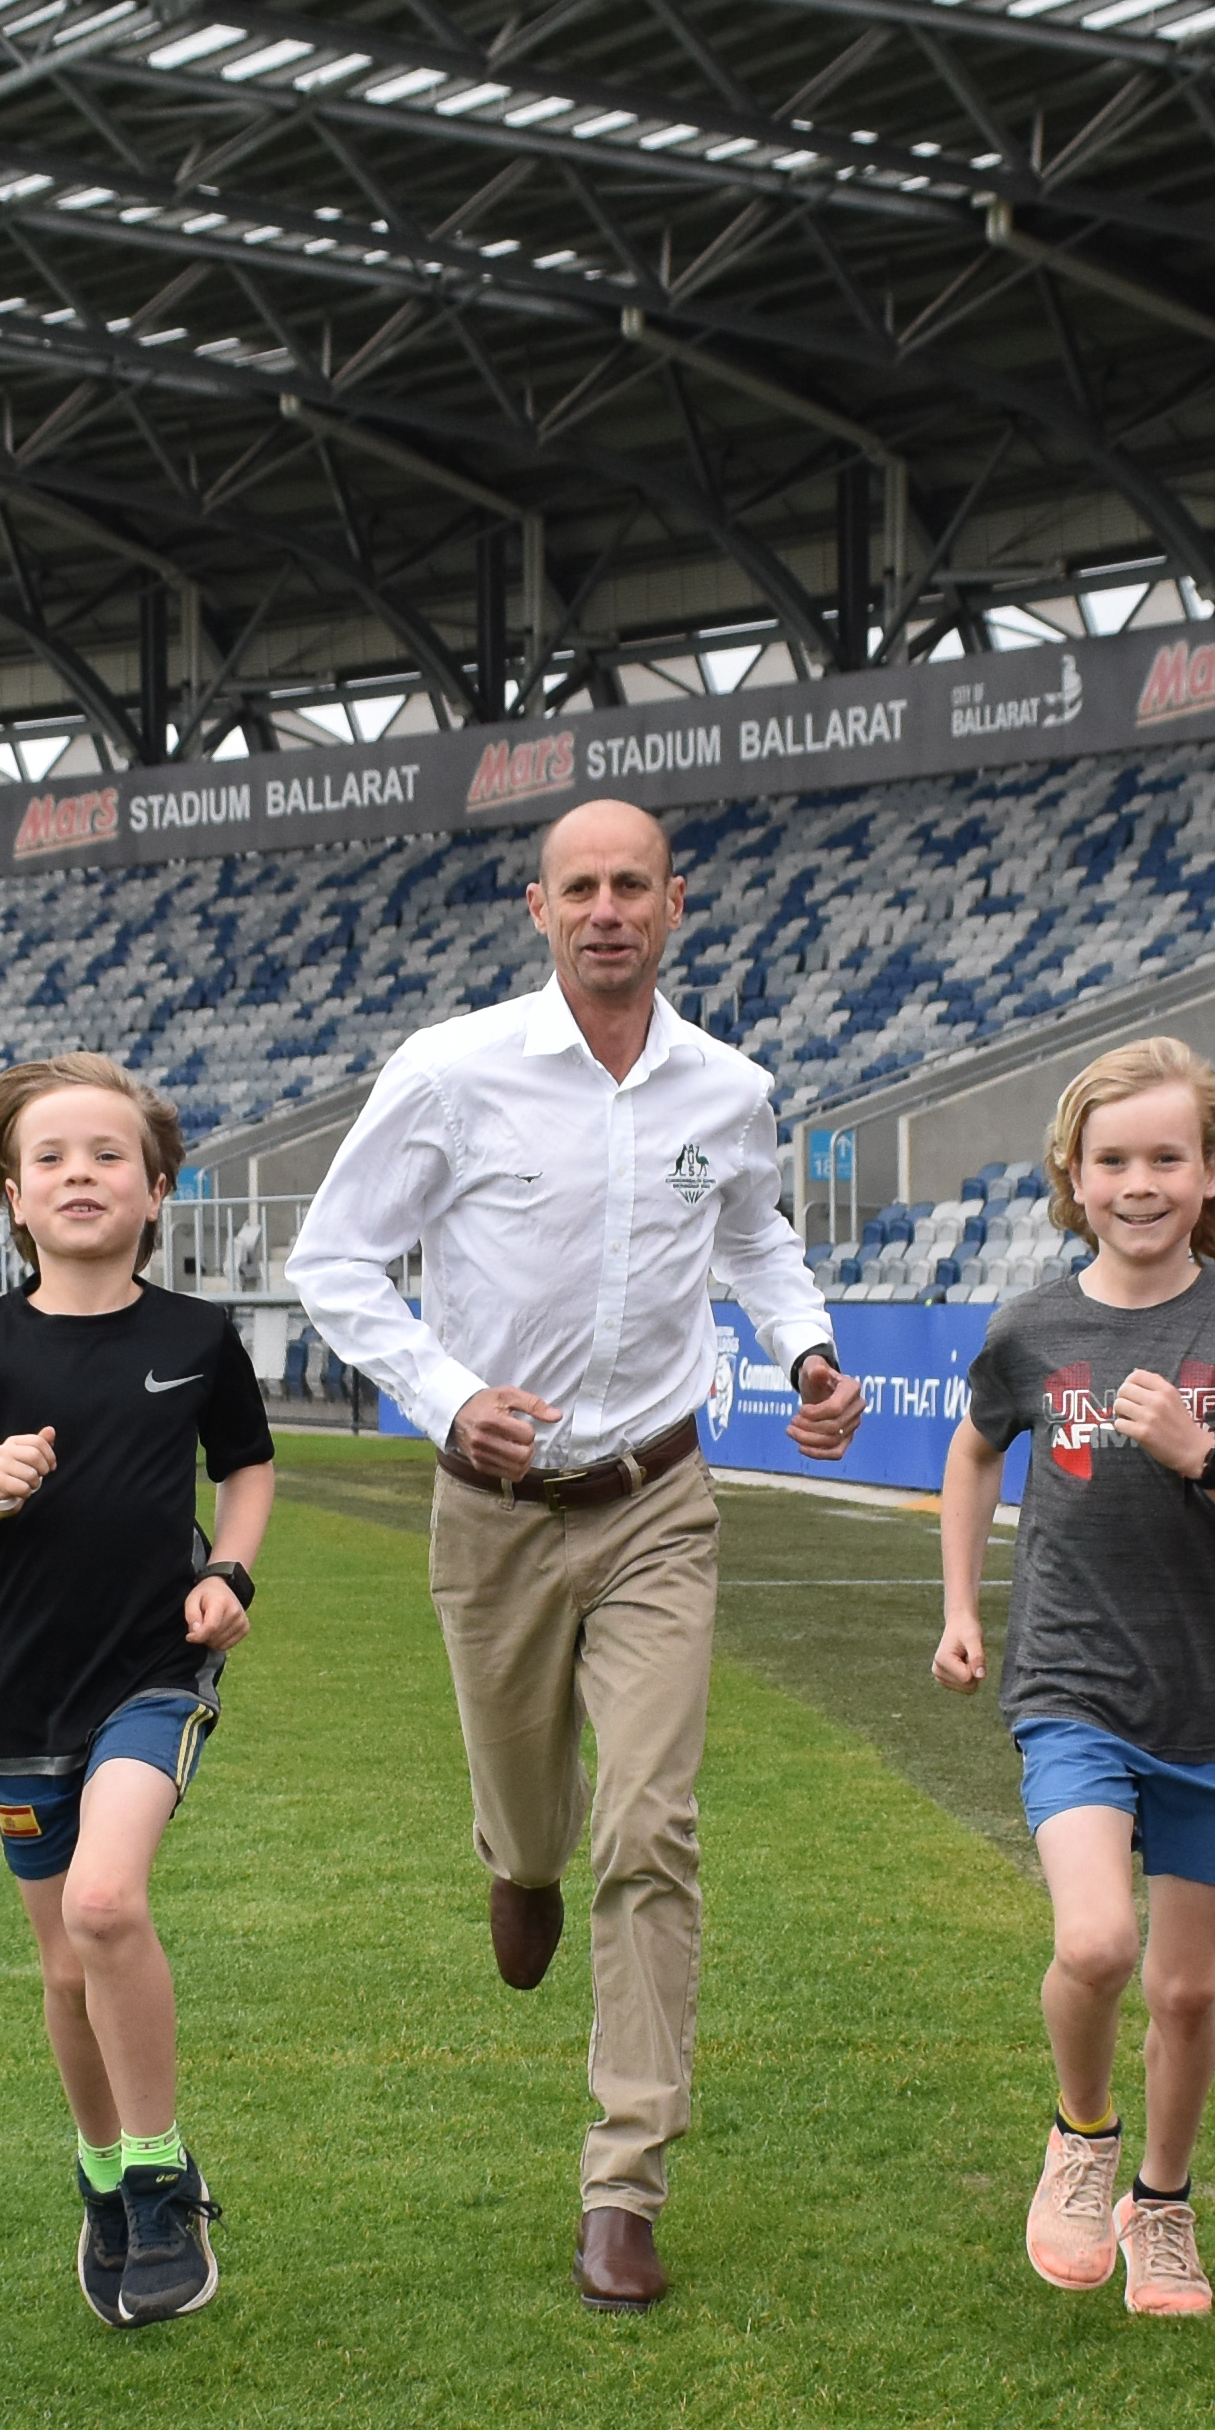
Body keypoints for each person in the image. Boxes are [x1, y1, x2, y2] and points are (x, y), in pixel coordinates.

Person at [288, 797, 860, 2309]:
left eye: (633, 885)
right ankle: (511, 1858)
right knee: (543, 1829)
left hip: (659, 1502)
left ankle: (625, 2180)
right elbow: (331, 1259)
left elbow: (756, 1240)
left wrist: (804, 1352)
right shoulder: (450, 1072)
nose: (608, 909)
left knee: (652, 1826)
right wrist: (450, 1398)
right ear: (536, 911)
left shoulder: (728, 1088)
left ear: (675, 903)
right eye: (578, 888)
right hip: (493, 1517)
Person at [929, 1037, 1215, 2321]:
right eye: (1115, 1159)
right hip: (1071, 1683)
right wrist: (958, 1606)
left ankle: (1162, 2202)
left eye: (1168, 1156)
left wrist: (1201, 1456)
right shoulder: (1033, 1326)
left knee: (1188, 1985)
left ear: (1214, 1173)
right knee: (1098, 1941)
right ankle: (1081, 2131)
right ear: (1073, 1173)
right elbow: (971, 1454)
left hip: (1213, 1699)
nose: (1141, 1181)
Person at [0, 1053, 279, 2327]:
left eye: (108, 1155)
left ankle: (162, 2178)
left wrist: (231, 1571)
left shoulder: (197, 1335)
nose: (80, 1175)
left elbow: (251, 1469)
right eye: (49, 1158)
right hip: (20, 1697)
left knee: (109, 1903)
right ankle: (104, 2171)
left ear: (157, 1189)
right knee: (64, 1970)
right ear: (11, 1194)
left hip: (153, 1675)